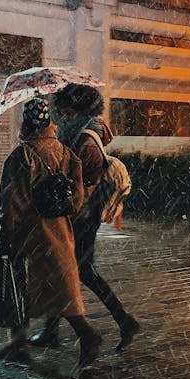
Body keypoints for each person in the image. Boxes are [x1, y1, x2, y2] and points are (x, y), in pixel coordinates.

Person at [29, 84, 140, 352]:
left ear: (78, 107)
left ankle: (122, 322)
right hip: (77, 212)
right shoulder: (76, 132)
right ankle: (53, 331)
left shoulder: (85, 138)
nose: (60, 112)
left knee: (76, 270)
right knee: (66, 269)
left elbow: (81, 181)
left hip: (82, 214)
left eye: (64, 107)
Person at [0, 97, 102, 366]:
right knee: (59, 287)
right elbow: (77, 200)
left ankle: (85, 335)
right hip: (60, 231)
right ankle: (19, 343)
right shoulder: (66, 153)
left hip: (29, 233)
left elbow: (11, 200)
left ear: (27, 124)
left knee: (19, 285)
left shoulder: (23, 155)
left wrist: (6, 230)